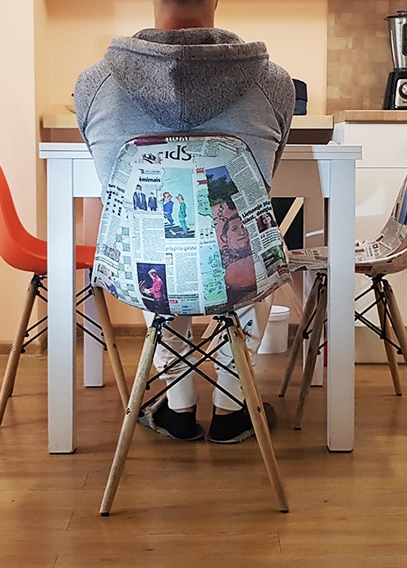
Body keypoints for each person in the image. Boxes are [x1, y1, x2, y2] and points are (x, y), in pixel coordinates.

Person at [75, 0, 295, 443]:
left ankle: (178, 408)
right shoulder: (274, 83)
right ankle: (233, 408)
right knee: (247, 240)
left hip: (145, 273)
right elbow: (262, 183)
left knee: (157, 244)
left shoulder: (93, 84)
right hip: (239, 273)